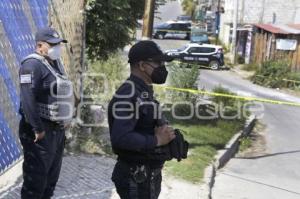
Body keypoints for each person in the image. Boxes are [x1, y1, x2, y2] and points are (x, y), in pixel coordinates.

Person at [108, 40, 176, 199]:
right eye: (158, 62)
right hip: (135, 177)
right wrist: (157, 140)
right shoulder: (129, 94)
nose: (162, 67)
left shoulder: (143, 91)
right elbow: (121, 138)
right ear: (142, 65)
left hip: (147, 176)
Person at [19, 27, 73, 199]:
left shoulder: (54, 63)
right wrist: (38, 129)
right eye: (53, 44)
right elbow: (28, 100)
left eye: (59, 44)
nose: (57, 48)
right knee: (36, 182)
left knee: (50, 181)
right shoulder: (31, 65)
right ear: (40, 45)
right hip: (40, 132)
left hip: (56, 131)